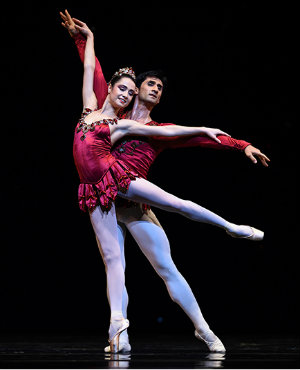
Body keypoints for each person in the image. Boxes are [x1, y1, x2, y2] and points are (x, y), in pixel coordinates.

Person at [62, 11, 269, 353]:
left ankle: (204, 330)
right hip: (102, 198)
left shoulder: (155, 131)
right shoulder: (108, 112)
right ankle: (119, 335)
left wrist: (240, 144)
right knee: (114, 264)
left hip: (134, 200)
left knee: (166, 268)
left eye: (160, 88)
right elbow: (93, 72)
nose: (154, 90)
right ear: (126, 90)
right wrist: (81, 38)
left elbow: (193, 136)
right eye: (150, 85)